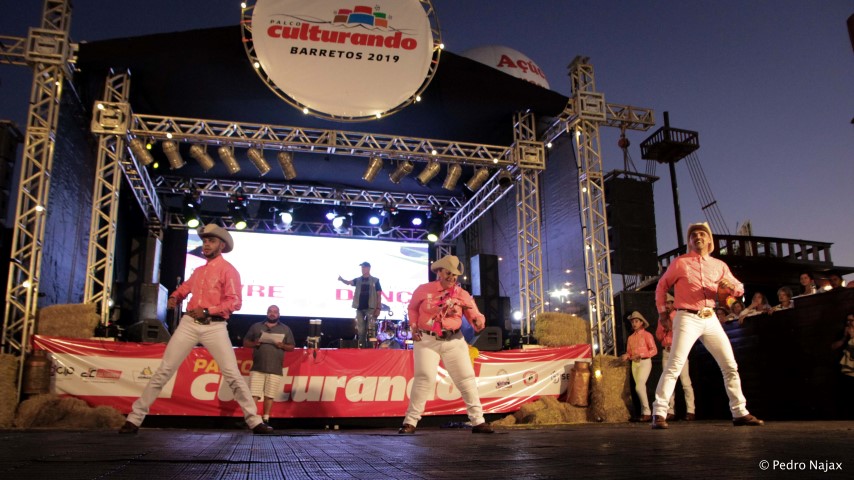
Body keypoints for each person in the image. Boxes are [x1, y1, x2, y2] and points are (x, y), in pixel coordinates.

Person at [119, 224, 273, 435]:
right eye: (205, 241)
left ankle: (254, 421)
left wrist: (208, 310)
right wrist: (175, 296)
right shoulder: (199, 271)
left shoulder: (228, 270)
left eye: (211, 241)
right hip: (189, 324)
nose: (206, 244)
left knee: (232, 374)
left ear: (221, 245)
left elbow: (235, 302)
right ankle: (134, 419)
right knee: (164, 370)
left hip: (215, 326)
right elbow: (186, 287)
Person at [651, 222, 763, 429]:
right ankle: (659, 412)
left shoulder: (719, 265)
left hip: (710, 317)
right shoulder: (680, 263)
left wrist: (733, 288)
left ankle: (739, 412)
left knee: (729, 365)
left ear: (709, 240)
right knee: (675, 364)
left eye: (702, 234)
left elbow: (739, 288)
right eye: (693, 235)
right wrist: (662, 312)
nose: (698, 237)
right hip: (687, 316)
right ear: (690, 241)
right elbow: (662, 286)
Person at [398, 255, 493, 434]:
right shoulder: (423, 290)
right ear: (439, 272)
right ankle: (410, 422)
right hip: (427, 340)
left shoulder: (462, 294)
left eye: (455, 275)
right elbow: (412, 308)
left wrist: (479, 321)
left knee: (466, 378)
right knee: (424, 378)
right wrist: (414, 326)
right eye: (449, 273)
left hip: (454, 340)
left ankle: (478, 421)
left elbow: (474, 313)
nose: (452, 278)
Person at [243, 305, 296, 424]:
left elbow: (292, 347)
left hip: (275, 368)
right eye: (270, 311)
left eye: (275, 312)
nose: (272, 314)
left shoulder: (285, 329)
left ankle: (265, 418)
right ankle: (251, 418)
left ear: (279, 314)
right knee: (254, 394)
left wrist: (282, 345)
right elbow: (245, 342)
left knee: (269, 395)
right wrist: (255, 343)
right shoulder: (256, 326)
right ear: (266, 313)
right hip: (258, 367)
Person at [656, 296, 696, 421]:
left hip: (679, 351)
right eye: (666, 303)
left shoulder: (678, 315)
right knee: (668, 381)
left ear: (674, 304)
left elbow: (684, 332)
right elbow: (658, 336)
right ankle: (670, 411)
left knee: (685, 381)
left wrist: (671, 325)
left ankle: (690, 410)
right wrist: (663, 329)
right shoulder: (662, 318)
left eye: (669, 303)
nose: (667, 306)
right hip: (667, 351)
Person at [622, 311, 657, 422]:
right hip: (635, 363)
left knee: (639, 386)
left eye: (636, 321)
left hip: (644, 362)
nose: (634, 324)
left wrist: (641, 355)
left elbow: (654, 350)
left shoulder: (647, 335)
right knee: (640, 387)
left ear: (642, 322)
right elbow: (629, 352)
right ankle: (644, 412)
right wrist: (626, 356)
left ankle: (647, 412)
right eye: (632, 322)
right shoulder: (630, 338)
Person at [338, 262, 383, 348]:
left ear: (369, 268)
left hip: (371, 308)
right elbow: (349, 282)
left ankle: (371, 349)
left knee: (371, 330)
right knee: (361, 330)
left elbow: (379, 294)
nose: (362, 269)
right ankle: (362, 348)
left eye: (364, 267)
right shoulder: (358, 280)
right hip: (359, 308)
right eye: (362, 268)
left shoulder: (375, 280)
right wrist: (342, 279)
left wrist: (378, 308)